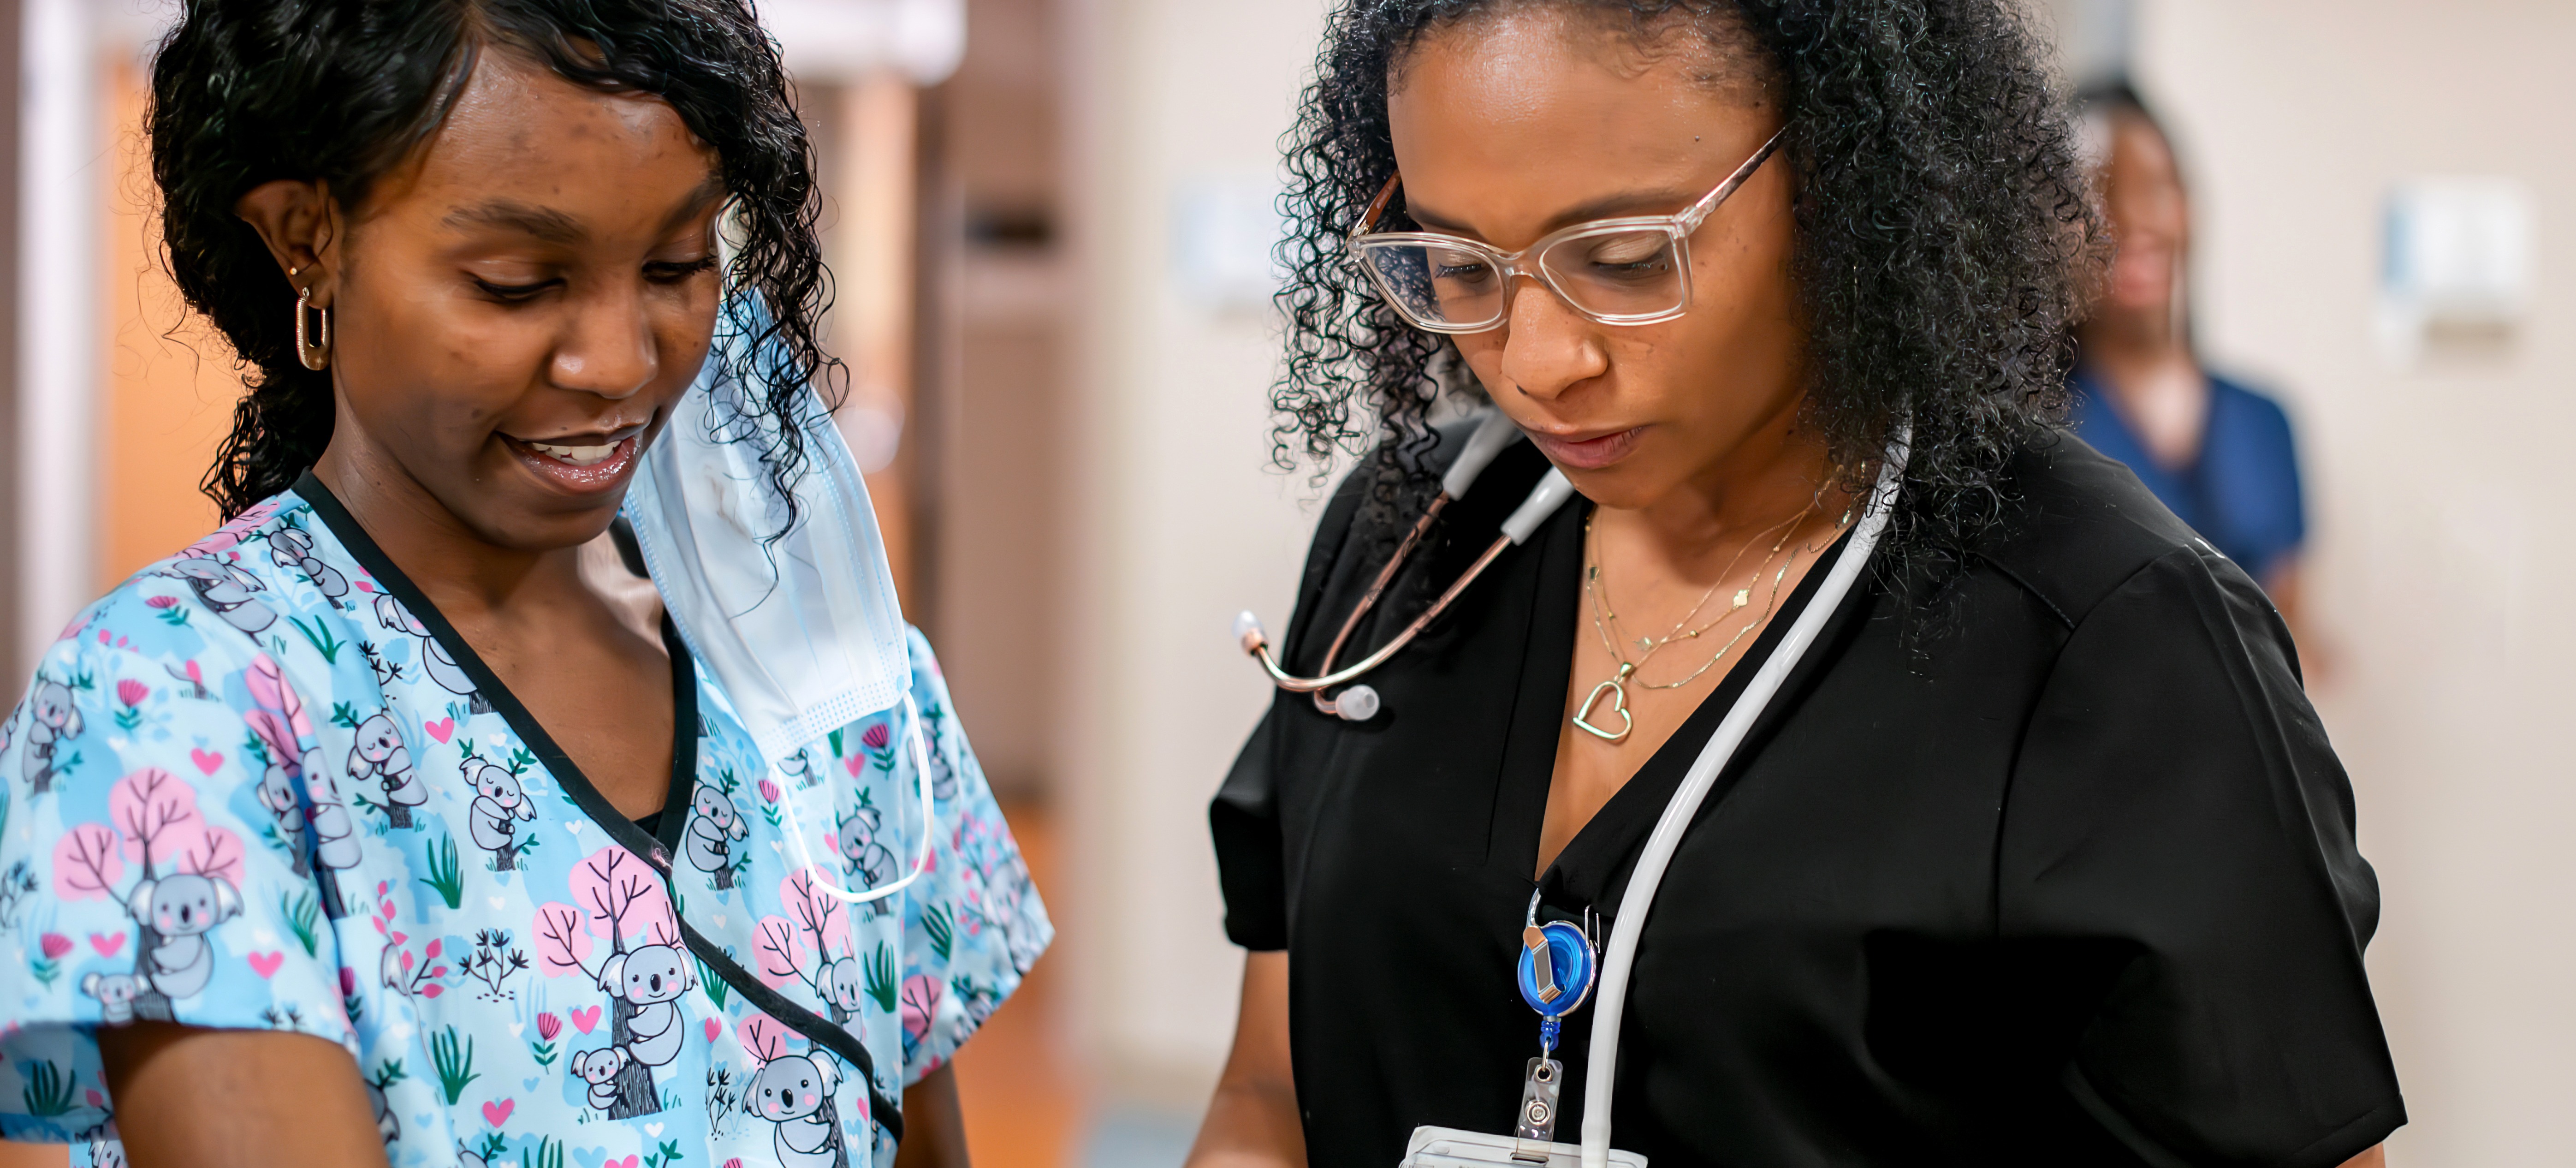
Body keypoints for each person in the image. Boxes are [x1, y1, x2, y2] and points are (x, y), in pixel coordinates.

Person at [1194, 2, 2398, 1167]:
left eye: (1622, 258)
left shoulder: (2110, 634)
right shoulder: (1411, 543)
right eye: (1456, 267)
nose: (1536, 364)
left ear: (1840, 168)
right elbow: (1266, 1083)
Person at [0, 4, 1047, 1168]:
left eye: (675, 263)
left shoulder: (832, 669)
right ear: (308, 236)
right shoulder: (177, 699)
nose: (621, 362)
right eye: (515, 282)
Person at [2070, 82, 2315, 649]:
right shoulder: (2034, 423)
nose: (2130, 221)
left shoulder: (2265, 422)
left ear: (2189, 207)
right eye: (2098, 197)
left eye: (2154, 189)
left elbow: (2289, 641)